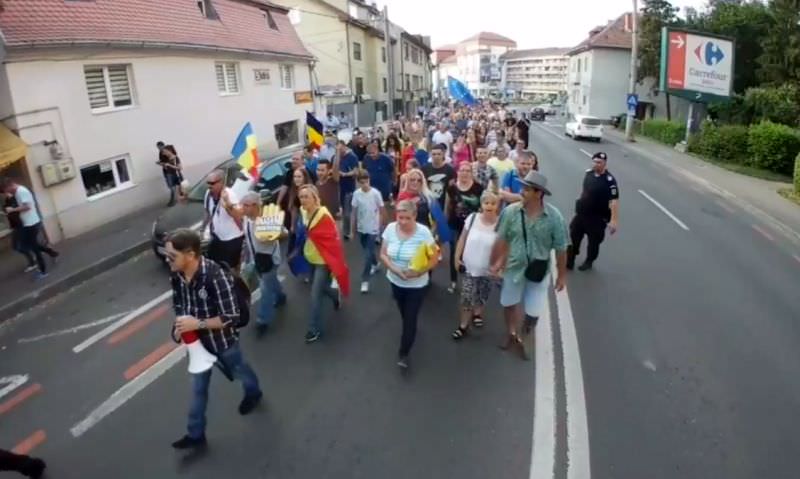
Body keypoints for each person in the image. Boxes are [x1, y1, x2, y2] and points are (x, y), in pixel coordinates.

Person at [167, 228, 262, 449]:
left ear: (190, 254)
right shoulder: (177, 275)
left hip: (223, 342)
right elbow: (179, 304)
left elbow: (230, 317)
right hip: (198, 345)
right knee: (198, 389)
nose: (168, 260)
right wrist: (178, 326)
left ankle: (254, 392)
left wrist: (196, 324)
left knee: (240, 370)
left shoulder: (215, 276)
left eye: (173, 256)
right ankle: (195, 433)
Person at [491, 171, 568, 360]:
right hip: (514, 268)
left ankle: (524, 337)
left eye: (526, 189)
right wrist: (494, 263)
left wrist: (562, 275)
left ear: (538, 193)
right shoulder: (510, 212)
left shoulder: (554, 217)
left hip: (538, 272)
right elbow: (501, 238)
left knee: (533, 311)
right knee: (509, 303)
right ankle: (511, 333)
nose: (522, 191)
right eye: (522, 187)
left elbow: (561, 248)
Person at [380, 200, 440, 369]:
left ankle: (404, 352)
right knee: (403, 310)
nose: (403, 222)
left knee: (410, 319)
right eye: (400, 217)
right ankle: (409, 329)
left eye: (407, 218)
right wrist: (395, 270)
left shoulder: (424, 233)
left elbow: (435, 258)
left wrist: (420, 272)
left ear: (415, 216)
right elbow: (383, 254)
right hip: (395, 280)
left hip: (416, 285)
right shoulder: (391, 228)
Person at [297, 185, 349, 343]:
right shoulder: (302, 211)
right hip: (310, 257)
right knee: (317, 286)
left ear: (315, 197)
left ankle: (314, 329)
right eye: (301, 197)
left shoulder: (324, 215)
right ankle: (335, 296)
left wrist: (332, 260)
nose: (303, 200)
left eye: (306, 196)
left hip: (323, 261)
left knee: (315, 295)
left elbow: (333, 240)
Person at [452, 191, 501, 339]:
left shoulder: (500, 224)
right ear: (481, 205)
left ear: (497, 206)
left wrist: (499, 266)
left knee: (482, 293)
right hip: (469, 267)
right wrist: (456, 257)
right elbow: (462, 238)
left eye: (493, 203)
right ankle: (463, 326)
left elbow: (504, 247)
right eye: (486, 203)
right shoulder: (472, 219)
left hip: (487, 268)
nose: (489, 206)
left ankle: (478, 313)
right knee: (467, 297)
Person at [241, 192, 287, 336]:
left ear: (255, 206)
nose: (243, 208)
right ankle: (280, 296)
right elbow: (248, 239)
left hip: (270, 260)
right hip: (256, 259)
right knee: (271, 283)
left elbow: (285, 233)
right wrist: (246, 257)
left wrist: (272, 235)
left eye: (245, 206)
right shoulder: (247, 219)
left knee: (265, 289)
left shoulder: (267, 219)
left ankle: (262, 320)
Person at [567, 152, 619, 271]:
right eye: (594, 162)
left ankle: (589, 261)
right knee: (573, 236)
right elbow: (585, 190)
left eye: (599, 162)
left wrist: (614, 220)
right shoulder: (588, 174)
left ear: (605, 164)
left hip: (597, 217)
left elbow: (614, 201)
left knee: (594, 242)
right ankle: (571, 258)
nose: (596, 164)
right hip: (582, 214)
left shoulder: (610, 181)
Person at [1, 178, 59, 279]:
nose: (8, 192)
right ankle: (51, 253)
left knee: (34, 247)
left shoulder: (21, 191)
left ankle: (43, 271)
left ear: (9, 185)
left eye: (7, 190)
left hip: (31, 223)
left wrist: (12, 209)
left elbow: (27, 207)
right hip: (28, 223)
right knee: (31, 244)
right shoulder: (18, 192)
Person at [444, 162, 483, 293]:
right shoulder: (452, 187)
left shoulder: (478, 188)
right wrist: (444, 222)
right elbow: (447, 205)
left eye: (467, 170)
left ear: (471, 173)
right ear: (458, 172)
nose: (464, 173)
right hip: (454, 224)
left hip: (473, 226)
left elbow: (482, 207)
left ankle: (471, 278)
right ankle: (453, 281)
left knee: (472, 252)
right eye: (462, 170)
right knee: (455, 251)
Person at [351, 171, 386, 293]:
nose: (365, 184)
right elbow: (354, 212)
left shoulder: (376, 193)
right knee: (367, 250)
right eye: (362, 182)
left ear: (369, 180)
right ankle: (375, 264)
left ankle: (365, 280)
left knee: (367, 255)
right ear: (358, 183)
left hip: (373, 227)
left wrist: (380, 228)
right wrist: (352, 230)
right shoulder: (356, 194)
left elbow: (382, 211)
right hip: (362, 227)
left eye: (366, 181)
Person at [202, 170, 244, 269]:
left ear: (221, 182)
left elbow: (237, 216)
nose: (209, 186)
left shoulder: (230, 195)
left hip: (232, 239)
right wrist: (202, 229)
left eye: (212, 183)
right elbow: (207, 212)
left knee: (232, 267)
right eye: (208, 183)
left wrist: (227, 203)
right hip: (217, 236)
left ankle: (235, 282)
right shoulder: (208, 194)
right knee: (215, 263)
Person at [3, 191, 36, 271]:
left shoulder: (15, 199)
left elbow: (19, 210)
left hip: (20, 225)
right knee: (19, 245)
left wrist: (11, 211)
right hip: (16, 226)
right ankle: (35, 256)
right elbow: (7, 211)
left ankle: (33, 261)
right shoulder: (8, 200)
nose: (4, 195)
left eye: (4, 193)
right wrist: (6, 212)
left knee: (19, 246)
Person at [336, 140, 360, 241]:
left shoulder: (352, 157)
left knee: (347, 212)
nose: (339, 151)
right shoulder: (337, 157)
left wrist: (345, 174)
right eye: (337, 149)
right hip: (338, 188)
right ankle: (350, 229)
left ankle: (347, 232)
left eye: (340, 149)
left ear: (344, 147)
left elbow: (356, 171)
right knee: (343, 211)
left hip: (349, 188)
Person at [156, 141, 183, 207]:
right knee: (172, 188)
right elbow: (163, 163)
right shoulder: (161, 154)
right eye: (163, 152)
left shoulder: (176, 158)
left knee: (181, 187)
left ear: (169, 151)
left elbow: (180, 168)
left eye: (165, 152)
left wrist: (169, 165)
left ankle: (181, 200)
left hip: (176, 174)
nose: (163, 153)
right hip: (168, 173)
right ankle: (173, 201)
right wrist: (162, 164)